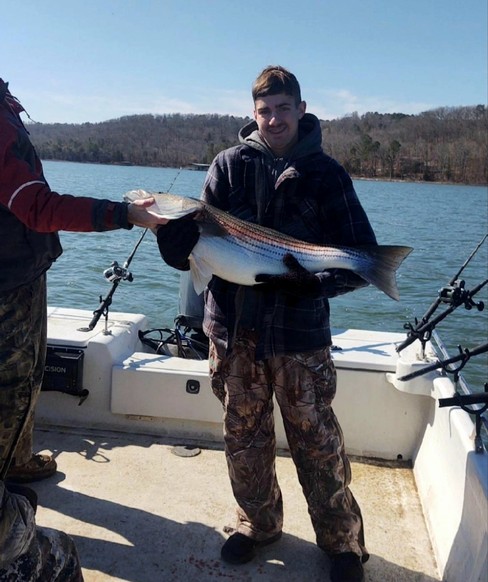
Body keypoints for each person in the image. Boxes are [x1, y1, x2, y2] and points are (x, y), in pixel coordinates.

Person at [157, 66, 377, 582]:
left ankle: (342, 542)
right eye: (264, 110)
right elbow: (200, 250)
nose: (273, 119)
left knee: (318, 442)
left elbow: (360, 259)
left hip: (300, 335)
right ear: (252, 114)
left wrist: (315, 287)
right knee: (243, 437)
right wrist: (176, 248)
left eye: (283, 108)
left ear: (301, 109)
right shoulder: (227, 166)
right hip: (233, 333)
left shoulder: (327, 174)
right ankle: (256, 524)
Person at [0, 78, 167, 579]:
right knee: (13, 385)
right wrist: (126, 215)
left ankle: (20, 459)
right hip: (8, 283)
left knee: (26, 378)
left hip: (21, 269)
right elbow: (37, 206)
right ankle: (7, 483)